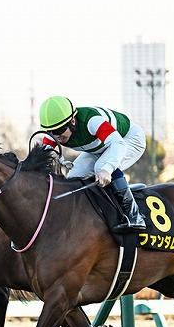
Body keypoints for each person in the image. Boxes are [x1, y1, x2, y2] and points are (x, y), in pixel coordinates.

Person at [39, 96, 146, 232]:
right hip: (101, 147)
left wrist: (107, 169)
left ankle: (134, 215)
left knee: (101, 167)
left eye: (59, 131)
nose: (56, 136)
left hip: (128, 139)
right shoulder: (55, 133)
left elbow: (117, 144)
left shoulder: (92, 121)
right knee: (73, 178)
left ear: (72, 121)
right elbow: (42, 157)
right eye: (51, 132)